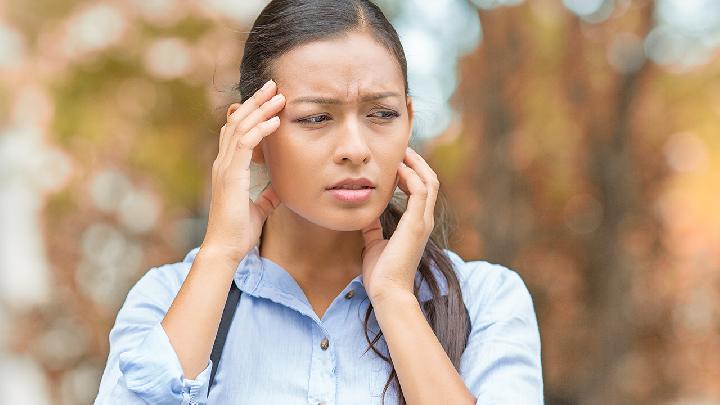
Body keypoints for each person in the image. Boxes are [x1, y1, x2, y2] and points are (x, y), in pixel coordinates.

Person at [93, 0, 543, 404]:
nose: (355, 148)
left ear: (408, 121)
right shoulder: (165, 300)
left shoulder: (485, 301)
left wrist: (394, 300)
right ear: (251, 132)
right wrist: (219, 255)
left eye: (382, 114)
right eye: (316, 117)